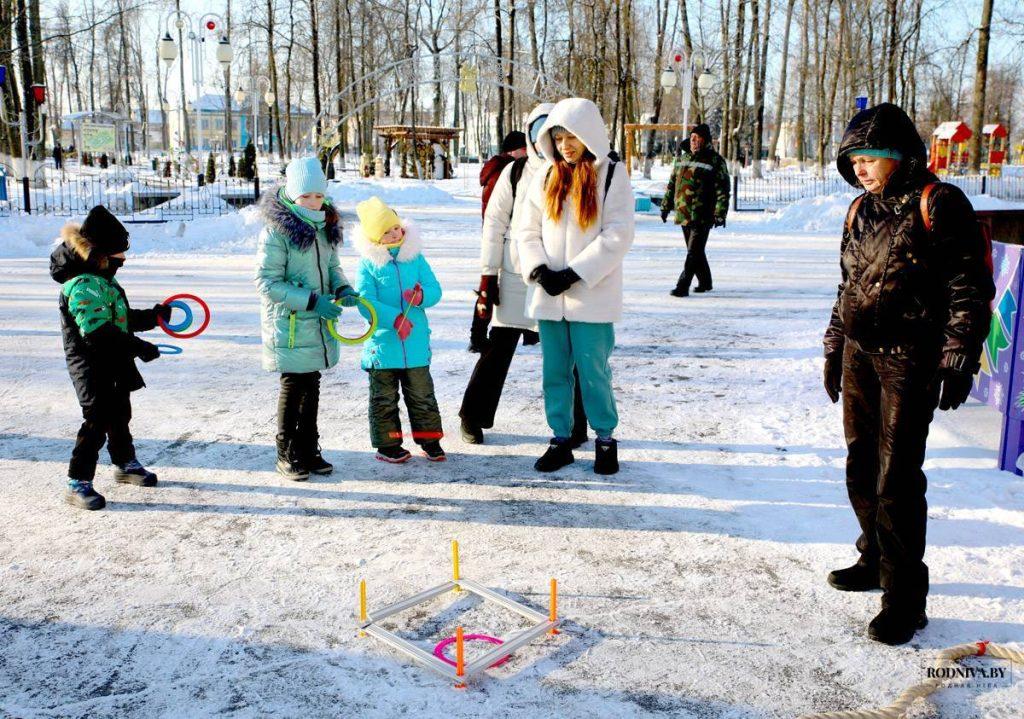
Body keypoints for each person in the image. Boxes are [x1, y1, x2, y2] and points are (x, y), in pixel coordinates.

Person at [823, 103, 994, 645]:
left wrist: (958, 356)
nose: (860, 169)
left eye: (869, 158)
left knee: (896, 478)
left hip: (908, 359)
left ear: (899, 157)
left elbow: (968, 287)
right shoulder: (858, 210)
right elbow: (846, 287)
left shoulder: (939, 203)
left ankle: (905, 596)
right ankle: (872, 558)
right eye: (853, 160)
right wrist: (834, 345)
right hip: (860, 354)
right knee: (860, 464)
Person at [515, 97, 634, 475]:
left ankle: (604, 440)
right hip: (550, 297)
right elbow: (526, 230)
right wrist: (539, 270)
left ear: (589, 136)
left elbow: (619, 233)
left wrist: (576, 272)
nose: (566, 145)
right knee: (554, 372)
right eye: (559, 136)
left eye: (572, 137)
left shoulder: (611, 174)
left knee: (593, 370)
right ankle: (560, 439)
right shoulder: (546, 176)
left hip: (591, 296)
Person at [459, 104, 590, 447]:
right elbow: (494, 224)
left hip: (560, 277)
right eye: (538, 131)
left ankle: (575, 423)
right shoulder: (515, 172)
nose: (545, 138)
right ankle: (472, 416)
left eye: (553, 131)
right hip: (518, 273)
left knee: (567, 352)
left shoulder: (576, 171)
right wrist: (488, 276)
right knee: (499, 348)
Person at [50, 205, 170, 510]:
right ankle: (78, 483)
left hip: (113, 361)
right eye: (118, 254)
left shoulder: (102, 279)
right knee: (96, 421)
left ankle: (124, 464)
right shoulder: (81, 285)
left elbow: (121, 318)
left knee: (119, 414)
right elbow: (98, 332)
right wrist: (138, 347)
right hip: (91, 366)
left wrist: (154, 317)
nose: (124, 260)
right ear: (99, 253)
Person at [256, 156, 357, 481]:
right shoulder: (278, 232)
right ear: (291, 193)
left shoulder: (324, 227)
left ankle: (308, 449)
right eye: (306, 196)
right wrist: (312, 300)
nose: (313, 202)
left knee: (311, 385)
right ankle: (286, 452)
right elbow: (267, 282)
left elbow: (331, 267)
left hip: (315, 323)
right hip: (290, 324)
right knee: (294, 385)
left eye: (318, 195)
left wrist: (342, 288)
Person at [354, 197, 445, 463]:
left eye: (395, 226)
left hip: (415, 344)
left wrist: (421, 296)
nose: (395, 233)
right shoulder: (368, 264)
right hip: (383, 345)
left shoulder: (415, 258)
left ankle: (430, 440)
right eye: (386, 231)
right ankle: (388, 445)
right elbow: (365, 301)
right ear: (375, 238)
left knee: (422, 395)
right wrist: (394, 318)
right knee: (384, 399)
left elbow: (435, 289)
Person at [661, 124, 730, 296]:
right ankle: (705, 282)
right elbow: (672, 184)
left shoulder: (715, 160)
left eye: (698, 138)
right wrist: (665, 206)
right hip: (683, 213)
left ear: (705, 140)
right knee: (696, 251)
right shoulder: (682, 159)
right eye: (692, 138)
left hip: (703, 214)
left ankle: (682, 286)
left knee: (693, 252)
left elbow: (723, 189)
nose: (694, 142)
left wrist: (720, 213)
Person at [480, 131, 527, 218]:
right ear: (511, 151)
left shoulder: (500, 167)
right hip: (502, 228)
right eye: (524, 149)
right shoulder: (505, 171)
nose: (527, 153)